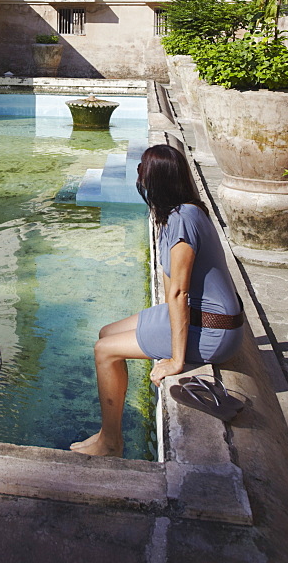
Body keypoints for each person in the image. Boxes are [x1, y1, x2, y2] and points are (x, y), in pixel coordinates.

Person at [70, 143, 244, 457]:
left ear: (158, 181)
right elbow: (170, 291)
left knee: (104, 351)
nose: (139, 177)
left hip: (213, 332)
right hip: (199, 318)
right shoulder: (175, 213)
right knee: (107, 333)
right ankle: (106, 430)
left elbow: (179, 293)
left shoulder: (183, 219)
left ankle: (111, 443)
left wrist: (176, 360)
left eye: (143, 172)